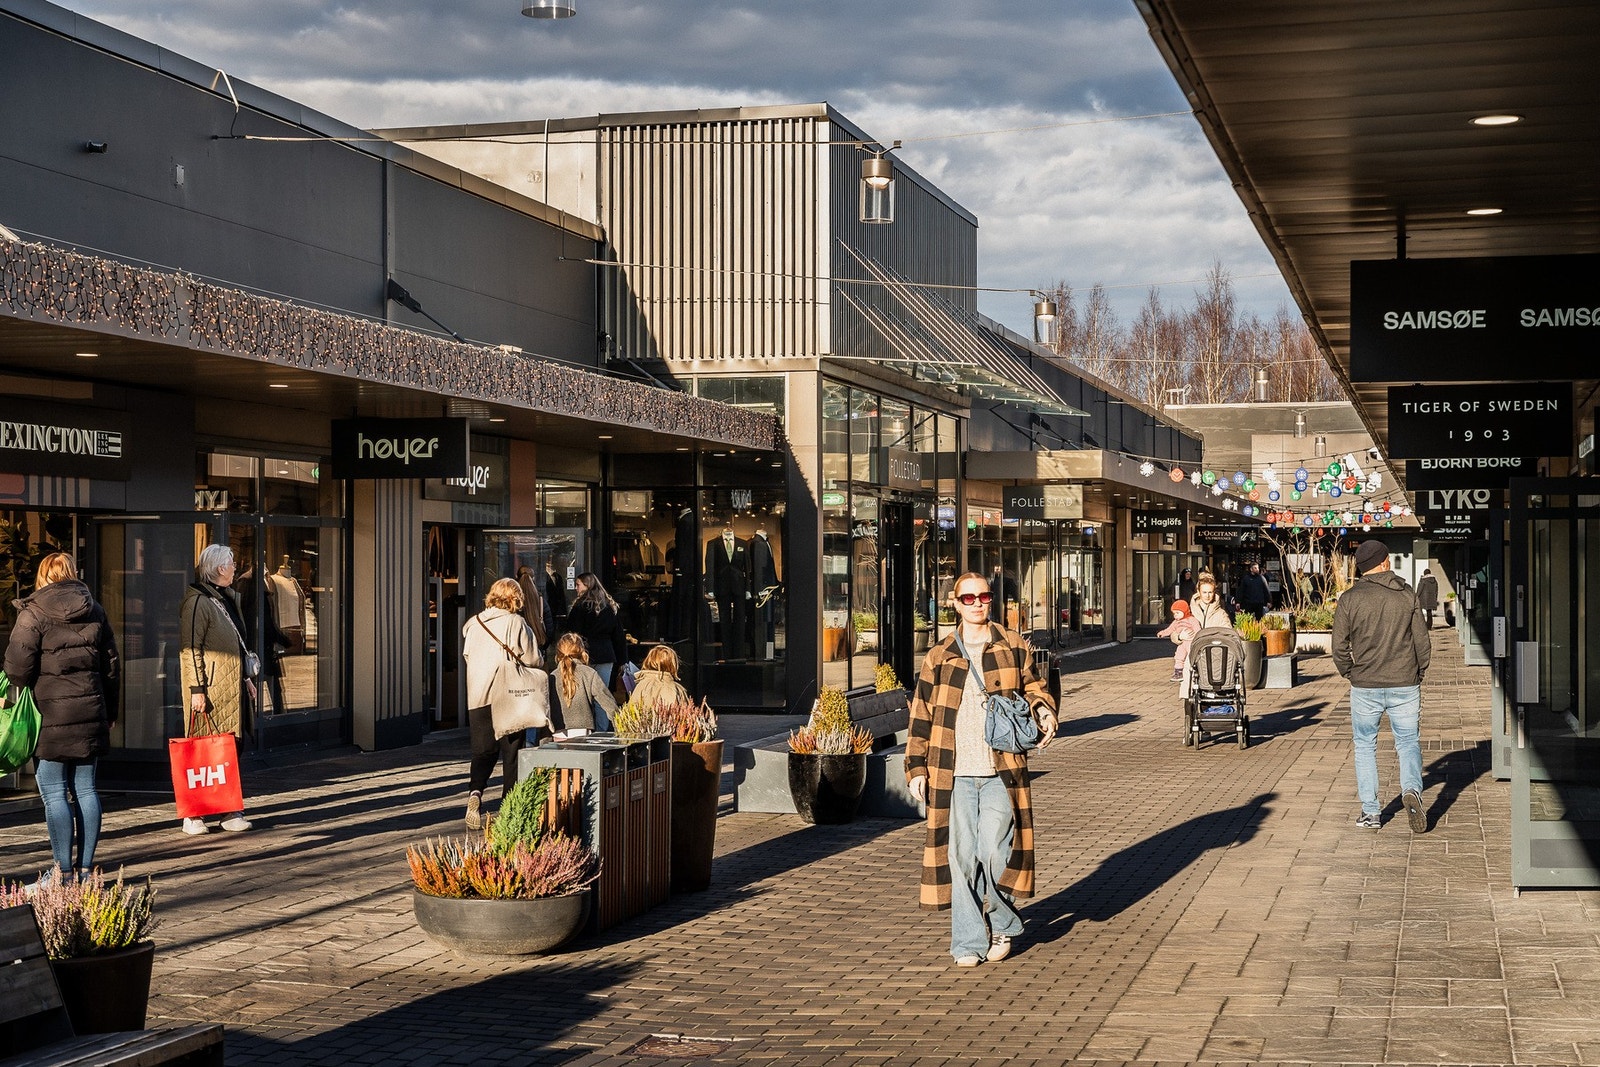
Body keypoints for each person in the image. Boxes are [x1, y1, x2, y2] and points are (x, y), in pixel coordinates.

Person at [905, 571, 1058, 968]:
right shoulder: (939, 654)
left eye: (983, 597)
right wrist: (916, 767)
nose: (976, 603)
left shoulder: (1010, 643)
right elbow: (921, 714)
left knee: (994, 853)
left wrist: (1044, 709)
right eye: (968, 598)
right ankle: (968, 941)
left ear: (991, 600)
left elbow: (1035, 686)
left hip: (1001, 769)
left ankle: (1002, 921)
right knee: (961, 856)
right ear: (954, 604)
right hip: (950, 771)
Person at [2, 552, 118, 881]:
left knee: (53, 793)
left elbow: (17, 670)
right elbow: (112, 666)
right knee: (86, 789)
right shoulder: (95, 609)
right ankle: (84, 869)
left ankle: (62, 872)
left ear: (42, 577)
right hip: (90, 709)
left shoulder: (33, 613)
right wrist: (111, 711)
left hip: (49, 713)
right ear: (72, 573)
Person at [1332, 540, 1431, 833]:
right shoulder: (1406, 594)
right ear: (1385, 563)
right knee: (1408, 742)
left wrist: (1350, 672)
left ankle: (1372, 812)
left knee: (1365, 746)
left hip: (1365, 685)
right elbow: (1422, 643)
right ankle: (1411, 789)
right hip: (1404, 682)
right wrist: (1418, 672)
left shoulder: (1350, 599)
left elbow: (1338, 647)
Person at [178, 544, 255, 834]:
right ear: (221, 568)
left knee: (229, 748)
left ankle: (229, 810)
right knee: (203, 752)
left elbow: (235, 644)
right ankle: (194, 815)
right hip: (210, 690)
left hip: (230, 686)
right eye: (232, 563)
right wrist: (197, 688)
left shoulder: (225, 599)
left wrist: (245, 678)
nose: (235, 567)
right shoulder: (198, 602)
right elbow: (190, 648)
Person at [461, 577, 542, 830]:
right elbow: (532, 658)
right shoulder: (516, 622)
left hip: (478, 696)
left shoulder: (473, 624)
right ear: (516, 597)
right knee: (511, 753)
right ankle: (508, 808)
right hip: (508, 695)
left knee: (482, 751)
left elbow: (467, 655)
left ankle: (475, 793)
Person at [562, 573, 626, 687]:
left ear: (587, 585)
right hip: (606, 654)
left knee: (585, 692)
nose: (576, 588)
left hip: (584, 654)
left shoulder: (579, 607)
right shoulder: (609, 606)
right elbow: (618, 636)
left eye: (578, 585)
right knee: (602, 693)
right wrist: (622, 660)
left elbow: (571, 633)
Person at [549, 633, 618, 734]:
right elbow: (610, 705)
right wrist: (621, 728)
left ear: (558, 652)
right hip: (584, 733)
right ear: (582, 651)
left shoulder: (552, 677)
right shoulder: (589, 673)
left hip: (558, 733)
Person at [630, 644, 689, 710]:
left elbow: (630, 713)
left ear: (648, 661)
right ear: (674, 665)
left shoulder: (640, 686)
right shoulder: (676, 689)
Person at [1155, 600, 1201, 682]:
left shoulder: (1191, 619)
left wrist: (1197, 637)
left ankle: (1195, 670)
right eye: (1174, 613)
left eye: (1177, 613)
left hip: (1191, 641)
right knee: (1179, 656)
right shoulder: (1176, 622)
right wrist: (1163, 633)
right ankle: (1178, 672)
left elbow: (1197, 629)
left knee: (1192, 656)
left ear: (1184, 611)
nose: (1175, 615)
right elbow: (1170, 629)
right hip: (1182, 642)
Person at [516, 564, 552, 648]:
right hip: (537, 646)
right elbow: (549, 630)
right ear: (534, 578)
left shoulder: (513, 601)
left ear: (516, 577)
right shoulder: (541, 601)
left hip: (517, 649)